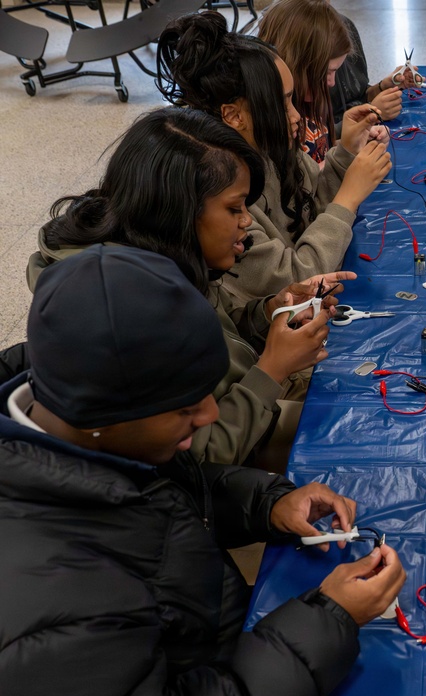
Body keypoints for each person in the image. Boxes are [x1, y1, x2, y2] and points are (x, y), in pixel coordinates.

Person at [0, 244, 406, 696]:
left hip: (200, 654)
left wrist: (267, 504)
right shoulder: (46, 599)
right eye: (185, 407)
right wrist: (327, 620)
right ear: (103, 417)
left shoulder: (81, 425)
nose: (211, 415)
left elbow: (162, 498)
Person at [28, 107, 349, 467]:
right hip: (234, 450)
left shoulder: (165, 255)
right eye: (234, 208)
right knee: (350, 427)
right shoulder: (123, 312)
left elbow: (220, 328)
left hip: (248, 407)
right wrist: (273, 369)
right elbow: (200, 459)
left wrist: (269, 312)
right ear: (178, 210)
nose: (247, 221)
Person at [157, 10, 391, 304]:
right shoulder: (221, 193)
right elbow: (298, 281)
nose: (296, 116)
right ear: (234, 115)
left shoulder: (270, 146)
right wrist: (348, 198)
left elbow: (312, 208)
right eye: (283, 104)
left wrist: (345, 153)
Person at [257, 0, 398, 164]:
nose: (332, 82)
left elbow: (318, 149)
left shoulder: (307, 102)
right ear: (297, 62)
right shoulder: (279, 124)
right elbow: (306, 176)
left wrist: (352, 145)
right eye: (326, 72)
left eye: (336, 71)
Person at [327, 10, 416, 133]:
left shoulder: (345, 27)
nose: (331, 82)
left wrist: (382, 87)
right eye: (328, 72)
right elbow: (315, 138)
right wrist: (370, 115)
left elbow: (358, 94)